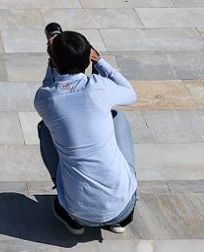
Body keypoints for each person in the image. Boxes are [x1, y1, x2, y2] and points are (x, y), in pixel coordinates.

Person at [35, 23, 137, 235]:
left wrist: (52, 61)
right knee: (116, 117)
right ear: (87, 58)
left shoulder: (46, 99)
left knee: (46, 128)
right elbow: (130, 94)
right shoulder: (99, 87)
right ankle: (118, 220)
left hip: (74, 211)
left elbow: (49, 87)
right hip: (123, 208)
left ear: (53, 60)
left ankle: (71, 216)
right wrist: (100, 62)